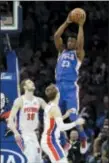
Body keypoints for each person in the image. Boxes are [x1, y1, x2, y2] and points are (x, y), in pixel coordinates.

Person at [54, 10, 88, 154]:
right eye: (68, 40)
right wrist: (67, 22)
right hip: (58, 88)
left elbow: (80, 44)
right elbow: (56, 36)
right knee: (56, 118)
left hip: (70, 89)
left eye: (72, 41)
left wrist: (80, 26)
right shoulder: (61, 51)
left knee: (73, 116)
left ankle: (83, 138)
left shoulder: (78, 54)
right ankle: (65, 142)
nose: (69, 42)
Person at [41, 84, 85, 163]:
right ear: (58, 94)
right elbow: (61, 127)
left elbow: (53, 121)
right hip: (50, 141)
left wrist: (66, 115)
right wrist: (76, 122)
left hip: (49, 140)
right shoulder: (55, 108)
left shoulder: (49, 106)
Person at [8, 79, 47, 163]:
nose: (32, 83)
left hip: (35, 134)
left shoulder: (39, 100)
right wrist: (16, 132)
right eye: (29, 82)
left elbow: (51, 112)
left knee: (39, 160)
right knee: (31, 159)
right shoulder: (19, 101)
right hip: (24, 134)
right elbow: (10, 119)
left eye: (32, 82)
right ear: (24, 87)